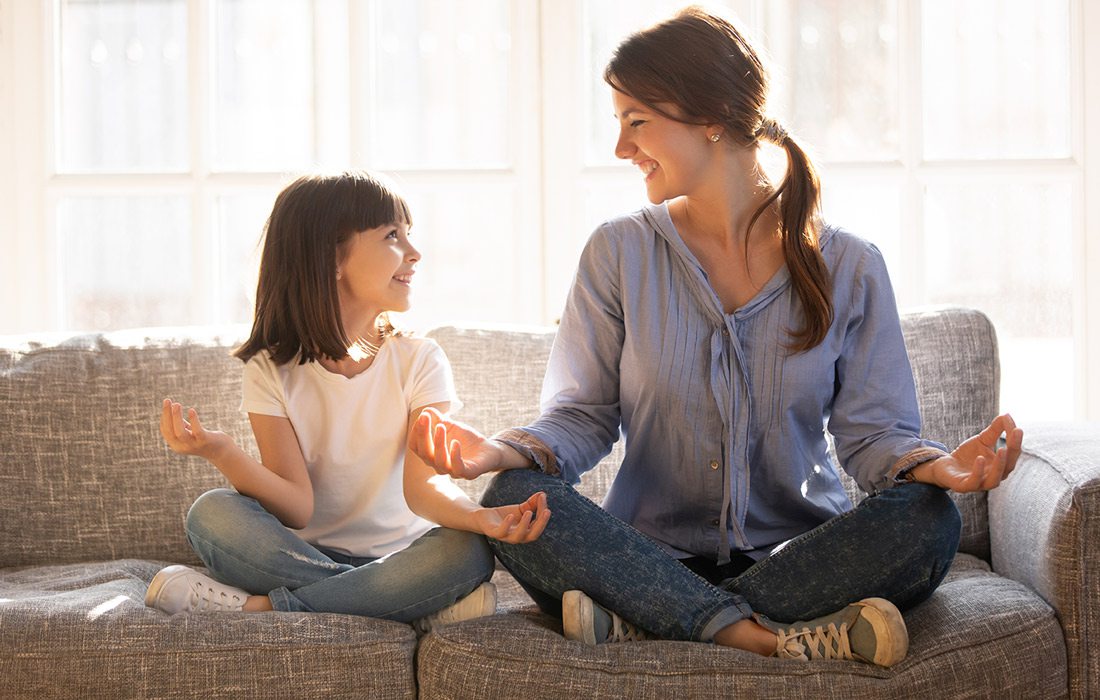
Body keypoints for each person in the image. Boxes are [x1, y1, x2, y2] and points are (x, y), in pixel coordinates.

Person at [410, 6, 1023, 667]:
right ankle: (768, 633)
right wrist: (494, 454)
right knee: (510, 498)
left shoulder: (850, 265)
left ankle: (650, 621)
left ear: (711, 118)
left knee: (928, 518)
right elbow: (583, 416)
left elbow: (874, 438)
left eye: (636, 121)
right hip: (642, 555)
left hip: (799, 557)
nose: (621, 148)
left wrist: (942, 469)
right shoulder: (619, 252)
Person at [145, 171, 550, 630]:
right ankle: (403, 602)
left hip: (406, 554)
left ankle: (264, 608)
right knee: (211, 513)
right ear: (332, 257)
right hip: (304, 553)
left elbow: (423, 488)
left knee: (467, 551)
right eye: (392, 235)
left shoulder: (419, 359)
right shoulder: (270, 369)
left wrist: (481, 519)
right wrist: (222, 452)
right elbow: (297, 507)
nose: (415, 254)